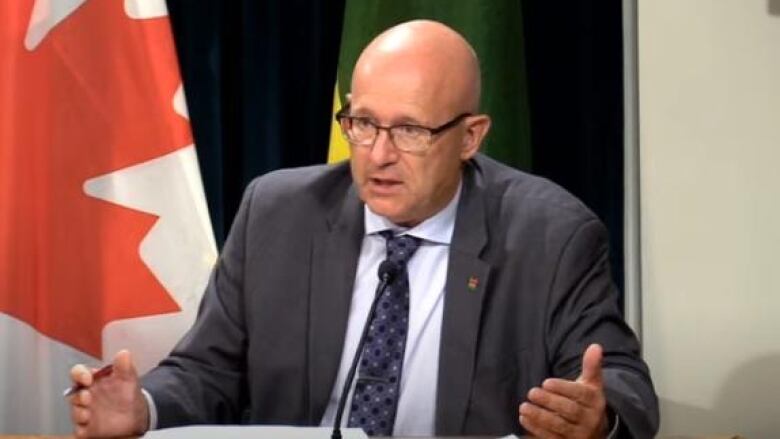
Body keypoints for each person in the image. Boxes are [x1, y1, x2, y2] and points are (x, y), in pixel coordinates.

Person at [68, 20, 658, 439]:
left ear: (471, 136)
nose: (377, 155)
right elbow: (208, 370)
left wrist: (597, 420)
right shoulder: (277, 213)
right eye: (363, 123)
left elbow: (622, 385)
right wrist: (142, 407)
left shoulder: (551, 235)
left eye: (409, 131)